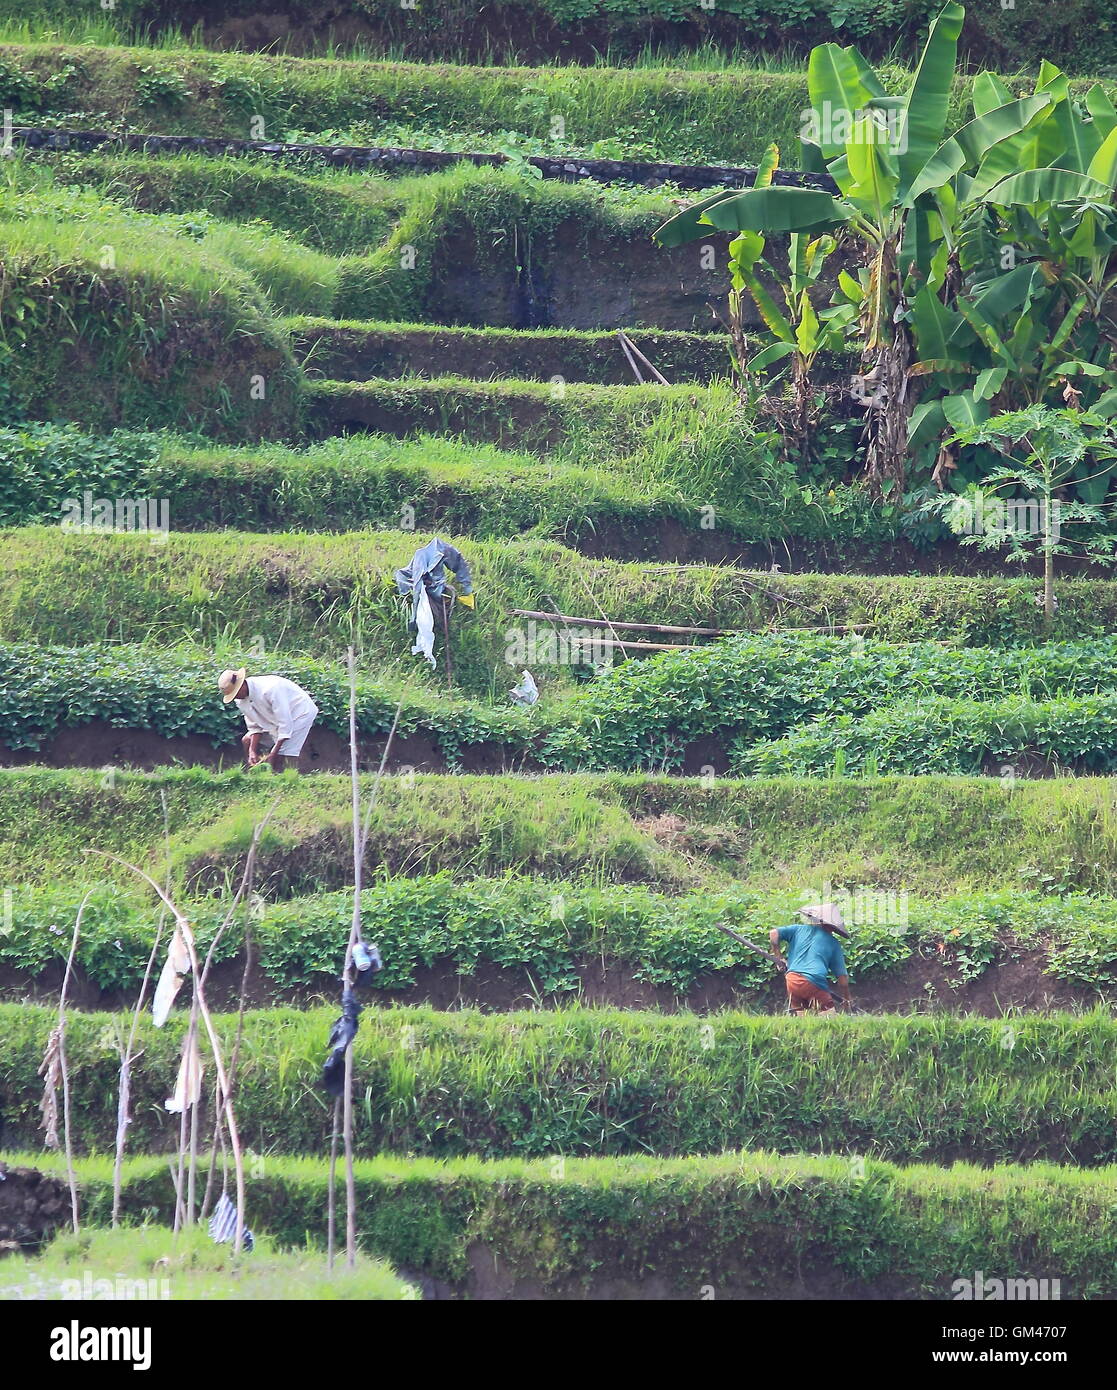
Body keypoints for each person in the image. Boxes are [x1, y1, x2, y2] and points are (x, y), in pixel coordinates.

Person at [393, 537, 475, 668]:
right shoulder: (420, 559)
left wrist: (467, 590)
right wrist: (413, 620)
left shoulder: (444, 550)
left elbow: (459, 564)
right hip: (421, 587)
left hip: (438, 588)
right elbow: (417, 592)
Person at [217, 668, 319, 772]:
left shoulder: (271, 689)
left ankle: (281, 778)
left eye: (236, 693)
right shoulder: (240, 700)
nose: (235, 698)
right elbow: (254, 727)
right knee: (246, 741)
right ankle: (255, 770)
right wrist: (252, 751)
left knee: (281, 755)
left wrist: (273, 753)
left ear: (242, 684)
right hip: (273, 720)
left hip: (298, 714)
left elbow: (285, 725)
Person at [770, 903, 851, 1015]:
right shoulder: (833, 943)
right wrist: (846, 1001)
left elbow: (773, 933)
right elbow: (843, 980)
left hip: (792, 979)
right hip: (814, 981)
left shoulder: (797, 929)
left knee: (803, 1022)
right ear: (832, 927)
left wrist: (779, 957)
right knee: (830, 1021)